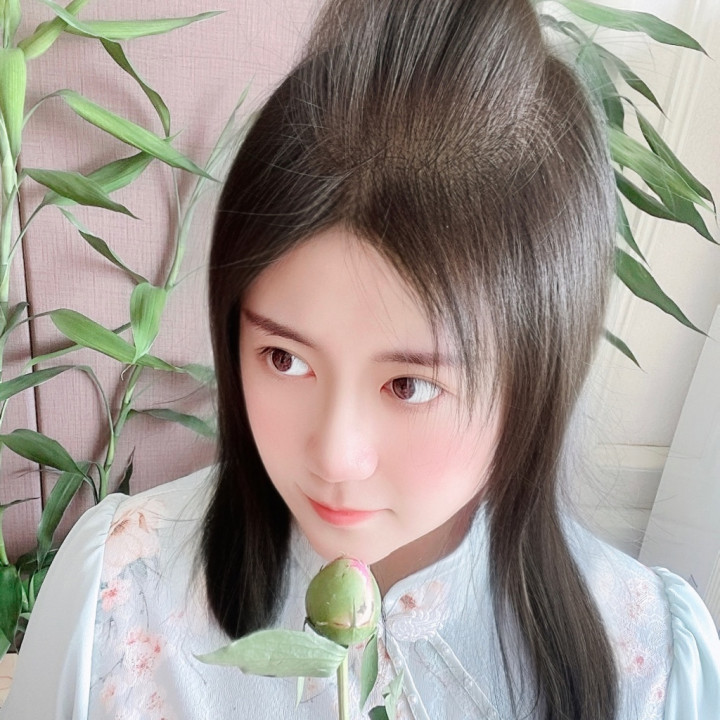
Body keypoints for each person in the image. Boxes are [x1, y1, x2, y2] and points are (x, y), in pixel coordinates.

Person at [4, 0, 720, 718]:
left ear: (537, 377)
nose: (334, 455)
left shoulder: (650, 666)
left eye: (408, 384)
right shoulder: (119, 595)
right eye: (284, 358)